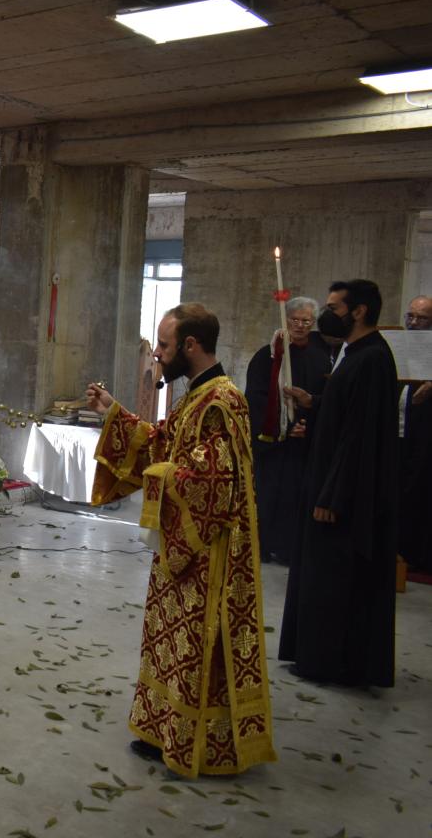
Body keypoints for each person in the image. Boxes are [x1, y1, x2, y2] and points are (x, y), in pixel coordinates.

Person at [86, 303, 275, 778]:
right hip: (181, 545)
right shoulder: (196, 396)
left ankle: (202, 745)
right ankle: (163, 730)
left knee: (198, 646)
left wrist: (161, 477)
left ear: (191, 345)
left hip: (208, 552)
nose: (157, 354)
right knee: (170, 642)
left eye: (164, 345)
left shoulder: (223, 401)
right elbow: (162, 441)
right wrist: (114, 414)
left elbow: (214, 486)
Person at [279, 280, 399, 687]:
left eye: (334, 308)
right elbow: (344, 412)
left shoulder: (372, 358)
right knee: (317, 574)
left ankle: (329, 662)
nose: (327, 316)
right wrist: (314, 405)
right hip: (329, 482)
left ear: (359, 311)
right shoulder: (355, 353)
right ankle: (313, 655)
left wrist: (332, 495)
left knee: (333, 580)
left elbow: (358, 437)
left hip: (342, 496)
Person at [243, 297, 331, 566]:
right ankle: (261, 545)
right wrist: (286, 426)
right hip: (273, 442)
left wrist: (306, 423)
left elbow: (326, 398)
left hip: (303, 442)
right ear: (286, 319)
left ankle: (287, 548)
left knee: (295, 497)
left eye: (306, 321)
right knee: (267, 494)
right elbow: (255, 399)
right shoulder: (268, 356)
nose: (300, 325)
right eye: (295, 320)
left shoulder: (321, 358)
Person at [397, 296, 432, 572]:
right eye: (410, 316)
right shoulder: (397, 345)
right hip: (397, 431)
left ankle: (416, 556)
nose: (414, 322)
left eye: (422, 318)